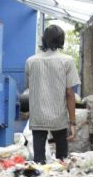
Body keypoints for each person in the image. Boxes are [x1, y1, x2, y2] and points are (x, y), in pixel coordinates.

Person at [24, 24, 80, 164]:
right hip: (58, 118)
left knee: (38, 161)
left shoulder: (30, 61)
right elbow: (69, 94)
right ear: (61, 40)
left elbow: (30, 88)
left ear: (44, 40)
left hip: (38, 118)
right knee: (62, 160)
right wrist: (72, 122)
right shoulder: (67, 61)